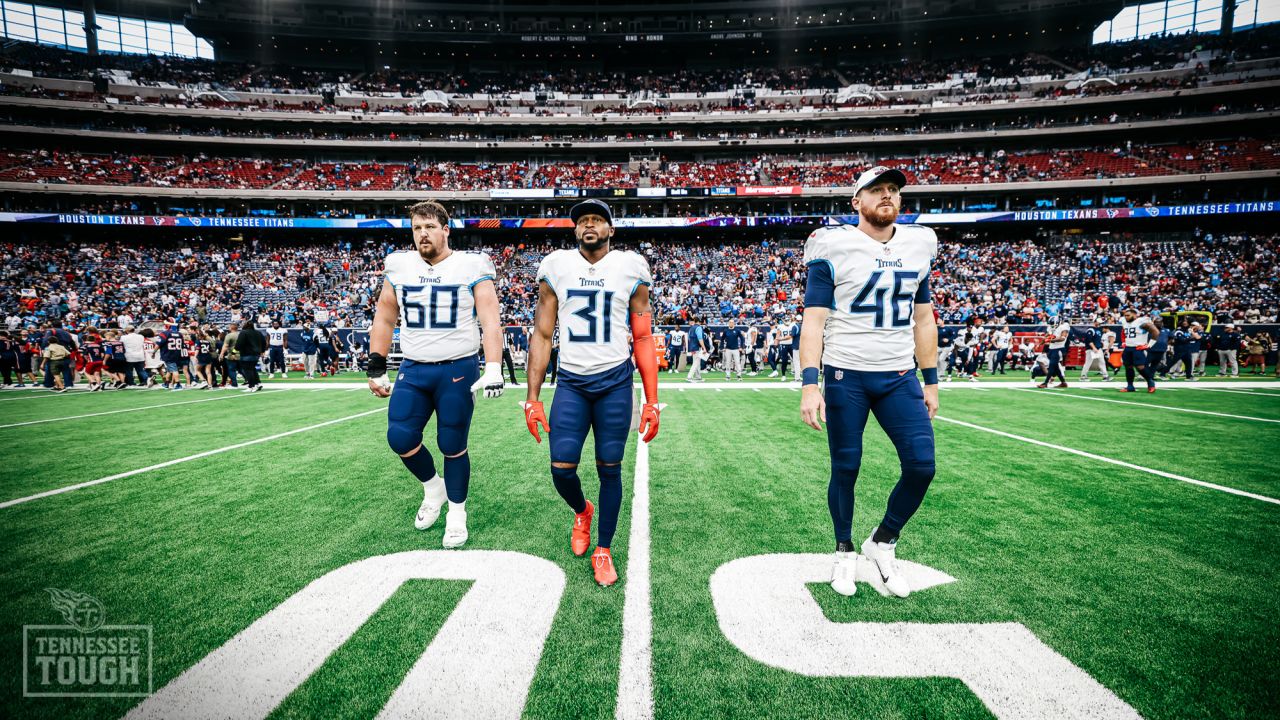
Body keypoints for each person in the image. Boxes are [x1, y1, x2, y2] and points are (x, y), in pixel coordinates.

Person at [798, 166, 939, 600]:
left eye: (893, 190)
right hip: (846, 374)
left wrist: (931, 379)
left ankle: (882, 541)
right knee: (847, 466)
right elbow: (814, 319)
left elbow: (924, 316)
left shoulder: (919, 244)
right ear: (855, 201)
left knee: (921, 466)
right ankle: (844, 552)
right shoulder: (833, 244)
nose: (887, 196)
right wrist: (809, 382)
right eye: (876, 190)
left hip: (899, 374)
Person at [522, 199, 660, 587]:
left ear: (611, 230)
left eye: (597, 220)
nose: (589, 225)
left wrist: (651, 400)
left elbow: (644, 335)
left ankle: (603, 548)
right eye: (583, 220)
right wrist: (532, 397)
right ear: (575, 229)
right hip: (572, 382)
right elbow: (543, 334)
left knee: (609, 468)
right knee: (561, 469)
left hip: (615, 381)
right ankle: (582, 510)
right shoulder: (556, 267)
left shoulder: (630, 266)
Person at [367, 200, 505, 549]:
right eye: (416, 227)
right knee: (400, 437)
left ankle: (457, 513)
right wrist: (376, 364)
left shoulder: (471, 265)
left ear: (446, 229)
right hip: (413, 368)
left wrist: (492, 367)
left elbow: (490, 320)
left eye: (429, 226)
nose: (422, 234)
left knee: (452, 445)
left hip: (457, 368)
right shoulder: (399, 265)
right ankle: (434, 489)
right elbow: (385, 317)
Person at [1119, 307, 1161, 393]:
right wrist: (1123, 341)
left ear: (1134, 315)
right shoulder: (1124, 321)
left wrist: (1149, 345)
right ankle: (1130, 386)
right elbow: (1123, 331)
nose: (1126, 317)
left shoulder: (1141, 322)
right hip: (1128, 348)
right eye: (1125, 315)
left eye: (1128, 315)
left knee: (1140, 367)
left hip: (1138, 348)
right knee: (1128, 367)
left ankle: (1150, 382)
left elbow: (1156, 332)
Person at [1037, 315, 1070, 389]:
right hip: (1051, 349)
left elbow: (1062, 338)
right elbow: (1047, 335)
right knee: (1056, 367)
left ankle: (1045, 383)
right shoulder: (1051, 327)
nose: (1052, 326)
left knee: (1052, 366)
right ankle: (1063, 382)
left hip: (1059, 349)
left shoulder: (1063, 327)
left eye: (1053, 324)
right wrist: (1041, 343)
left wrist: (1051, 340)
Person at [235, 319, 266, 392]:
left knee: (247, 370)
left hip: (246, 354)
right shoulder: (258, 332)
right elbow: (264, 342)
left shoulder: (243, 332)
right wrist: (262, 351)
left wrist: (234, 352)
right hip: (256, 354)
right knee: (252, 369)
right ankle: (258, 383)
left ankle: (251, 386)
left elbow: (239, 343)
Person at [1079, 317, 1110, 381]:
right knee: (1088, 362)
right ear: (1095, 321)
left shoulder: (1098, 330)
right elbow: (1088, 340)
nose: (1100, 323)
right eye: (1098, 322)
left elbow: (1097, 339)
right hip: (1091, 349)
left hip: (1098, 348)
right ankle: (1083, 376)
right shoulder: (1090, 330)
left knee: (1102, 362)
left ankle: (1105, 376)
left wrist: (1100, 344)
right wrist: (1093, 347)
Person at [686, 317, 707, 383]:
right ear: (699, 322)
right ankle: (689, 376)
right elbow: (700, 338)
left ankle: (698, 377)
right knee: (696, 362)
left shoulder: (691, 328)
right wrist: (704, 348)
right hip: (697, 347)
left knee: (697, 362)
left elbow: (689, 338)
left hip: (692, 347)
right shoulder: (698, 328)